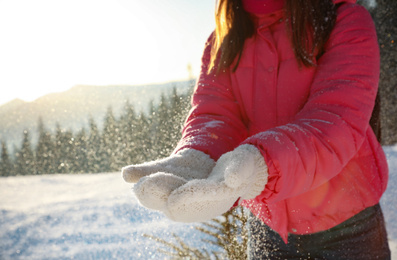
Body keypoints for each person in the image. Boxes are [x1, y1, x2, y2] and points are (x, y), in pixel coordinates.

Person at [122, 0, 391, 259]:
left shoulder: (343, 20)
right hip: (267, 227)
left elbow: (334, 121)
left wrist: (263, 165)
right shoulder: (223, 39)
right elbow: (217, 115)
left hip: (349, 230)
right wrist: (199, 156)